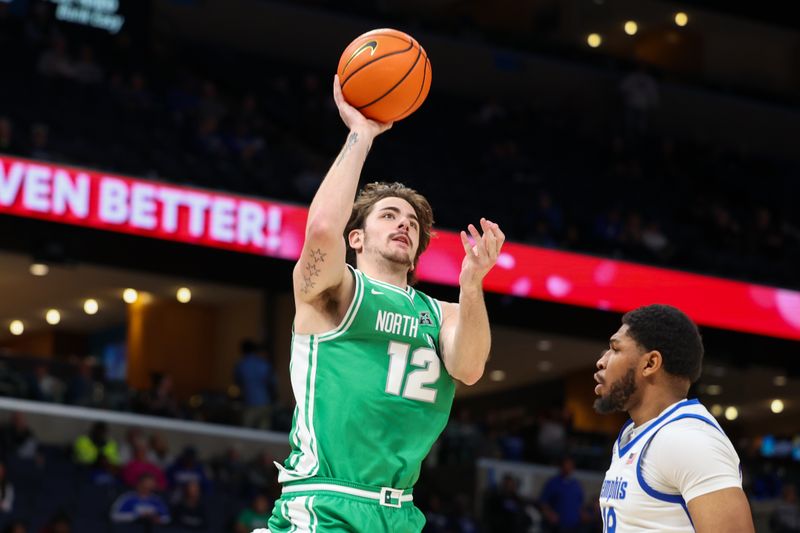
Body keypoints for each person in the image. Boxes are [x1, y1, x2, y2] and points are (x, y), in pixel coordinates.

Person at [267, 76, 505, 532]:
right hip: (327, 499)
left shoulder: (445, 313)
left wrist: (472, 283)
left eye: (412, 222)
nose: (404, 225)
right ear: (355, 237)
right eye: (389, 215)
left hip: (400, 511)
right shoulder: (337, 291)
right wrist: (361, 133)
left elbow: (470, 368)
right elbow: (319, 233)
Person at [593, 304, 754, 532]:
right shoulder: (635, 434)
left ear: (650, 363)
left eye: (615, 349)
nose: (602, 361)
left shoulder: (687, 439)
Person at [234, 339, 276, 429]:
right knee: (263, 436)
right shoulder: (264, 364)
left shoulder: (241, 365)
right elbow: (272, 384)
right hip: (265, 403)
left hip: (249, 404)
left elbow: (238, 383)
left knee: (247, 436)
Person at [539, 456, 584, 533]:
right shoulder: (553, 483)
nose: (569, 467)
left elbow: (580, 503)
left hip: (575, 526)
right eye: (567, 464)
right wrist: (549, 515)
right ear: (561, 466)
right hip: (558, 526)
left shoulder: (576, 485)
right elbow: (543, 502)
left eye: (571, 465)